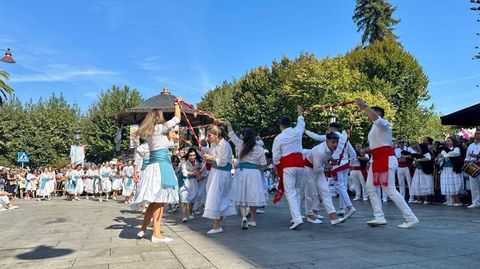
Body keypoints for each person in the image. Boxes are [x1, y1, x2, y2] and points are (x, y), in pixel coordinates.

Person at [355, 99, 418, 228]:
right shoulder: (374, 128)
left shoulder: (384, 123)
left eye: (371, 112)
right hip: (377, 160)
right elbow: (379, 144)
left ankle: (410, 217)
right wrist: (367, 149)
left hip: (385, 160)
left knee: (389, 189)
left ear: (378, 113)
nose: (368, 115)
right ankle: (379, 216)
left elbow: (376, 119)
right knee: (370, 187)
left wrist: (365, 106)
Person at [132, 98, 182, 243]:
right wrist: (177, 103)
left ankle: (144, 229)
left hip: (153, 167)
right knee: (159, 201)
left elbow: (165, 144)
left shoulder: (150, 133)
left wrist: (171, 138)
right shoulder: (160, 129)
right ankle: (156, 233)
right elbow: (177, 118)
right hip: (161, 167)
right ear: (158, 118)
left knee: (154, 202)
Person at [305, 122, 357, 218]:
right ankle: (341, 208)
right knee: (341, 187)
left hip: (335, 166)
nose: (335, 144)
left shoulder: (329, 138)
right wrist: (351, 164)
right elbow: (353, 153)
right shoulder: (344, 138)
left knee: (337, 187)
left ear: (330, 129)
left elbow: (316, 137)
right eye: (334, 143)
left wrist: (306, 131)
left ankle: (350, 207)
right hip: (343, 164)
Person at [227, 121, 267, 229]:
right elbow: (263, 164)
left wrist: (229, 124)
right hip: (254, 173)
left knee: (242, 195)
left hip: (241, 171)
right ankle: (253, 220)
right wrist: (256, 168)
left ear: (244, 136)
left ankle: (244, 217)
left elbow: (231, 134)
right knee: (253, 196)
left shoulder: (240, 144)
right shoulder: (259, 148)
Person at [272, 105, 306, 230]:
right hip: (300, 164)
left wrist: (277, 164)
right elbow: (301, 123)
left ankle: (297, 218)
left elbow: (276, 156)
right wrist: (300, 113)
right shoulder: (297, 131)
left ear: (281, 125)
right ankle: (297, 215)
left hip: (288, 166)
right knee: (296, 190)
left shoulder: (279, 138)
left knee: (290, 192)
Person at [304, 132, 347, 226]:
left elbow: (326, 159)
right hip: (309, 170)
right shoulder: (319, 151)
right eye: (333, 142)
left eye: (336, 142)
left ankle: (333, 218)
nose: (335, 145)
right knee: (311, 193)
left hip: (317, 170)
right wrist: (329, 166)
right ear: (327, 141)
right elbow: (317, 168)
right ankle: (309, 215)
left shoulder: (330, 148)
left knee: (326, 192)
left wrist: (331, 160)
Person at [202, 124, 236, 234]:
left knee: (215, 197)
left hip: (222, 173)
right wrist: (208, 158)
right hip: (215, 172)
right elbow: (214, 159)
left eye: (210, 135)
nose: (208, 137)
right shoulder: (213, 144)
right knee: (214, 196)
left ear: (216, 135)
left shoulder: (225, 145)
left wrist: (211, 158)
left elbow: (223, 161)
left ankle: (217, 225)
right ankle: (217, 221)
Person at [180, 148, 205, 223]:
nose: (192, 157)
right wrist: (192, 173)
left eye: (194, 155)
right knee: (183, 198)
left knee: (192, 197)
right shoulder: (184, 162)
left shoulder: (200, 163)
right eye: (190, 155)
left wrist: (199, 177)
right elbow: (184, 172)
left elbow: (205, 174)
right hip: (184, 181)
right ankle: (184, 216)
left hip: (194, 182)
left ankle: (190, 213)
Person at [438, 137, 464, 207]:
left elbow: (455, 154)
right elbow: (440, 160)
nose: (447, 142)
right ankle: (449, 200)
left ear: (453, 141)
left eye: (449, 141)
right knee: (447, 184)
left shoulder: (456, 148)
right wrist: (440, 158)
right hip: (445, 169)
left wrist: (444, 154)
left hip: (453, 169)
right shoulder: (443, 150)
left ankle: (457, 201)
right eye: (446, 141)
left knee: (454, 184)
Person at [395, 138, 416, 202]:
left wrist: (407, 156)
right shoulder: (396, 150)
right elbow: (395, 157)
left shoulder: (408, 149)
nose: (401, 144)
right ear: (398, 144)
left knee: (409, 182)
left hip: (407, 166)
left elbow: (415, 154)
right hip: (399, 167)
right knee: (401, 183)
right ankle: (402, 197)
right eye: (400, 142)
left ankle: (411, 197)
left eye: (402, 142)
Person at [466, 130, 480, 209]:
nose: (476, 135)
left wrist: (476, 156)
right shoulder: (471, 145)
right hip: (472, 166)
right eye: (475, 133)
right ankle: (475, 202)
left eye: (478, 134)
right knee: (473, 185)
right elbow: (467, 156)